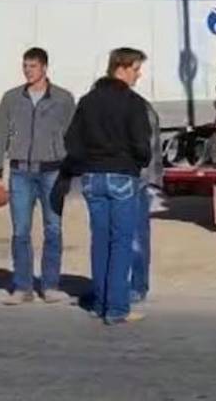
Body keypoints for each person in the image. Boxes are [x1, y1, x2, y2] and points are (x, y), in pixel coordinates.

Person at [64, 47, 153, 325]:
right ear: (123, 67)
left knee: (100, 240)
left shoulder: (88, 101)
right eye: (136, 69)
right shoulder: (133, 103)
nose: (139, 75)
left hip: (92, 177)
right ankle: (116, 308)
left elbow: (72, 141)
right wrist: (136, 161)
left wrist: (85, 163)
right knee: (121, 242)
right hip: (122, 175)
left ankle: (100, 303)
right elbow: (142, 145)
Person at [0, 47, 76, 305]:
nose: (28, 70)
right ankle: (23, 286)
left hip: (52, 172)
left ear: (45, 68)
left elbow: (73, 135)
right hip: (20, 172)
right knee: (21, 231)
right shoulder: (12, 98)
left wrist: (69, 169)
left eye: (33, 66)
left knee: (53, 229)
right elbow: (0, 134)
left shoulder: (63, 98)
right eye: (25, 66)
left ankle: (50, 285)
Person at [130, 101, 162, 307]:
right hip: (112, 179)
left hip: (137, 181)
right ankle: (114, 286)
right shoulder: (102, 105)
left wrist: (153, 182)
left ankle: (137, 286)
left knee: (136, 237)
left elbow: (153, 146)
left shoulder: (141, 107)